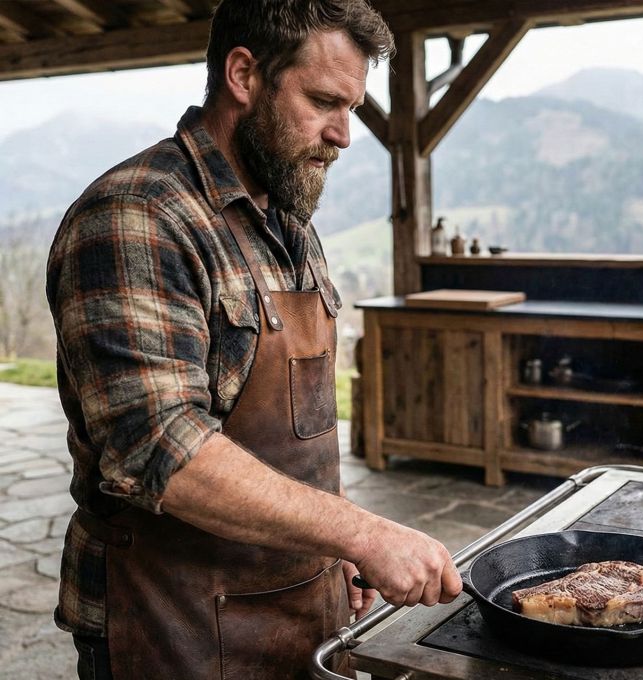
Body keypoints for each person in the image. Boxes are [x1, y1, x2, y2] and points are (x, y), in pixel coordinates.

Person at [45, 1, 462, 678]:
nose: (344, 134)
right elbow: (163, 451)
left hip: (297, 613)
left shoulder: (289, 221)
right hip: (168, 626)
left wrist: (338, 549)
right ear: (243, 74)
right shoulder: (137, 217)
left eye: (352, 107)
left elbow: (292, 443)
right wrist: (365, 533)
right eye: (325, 100)